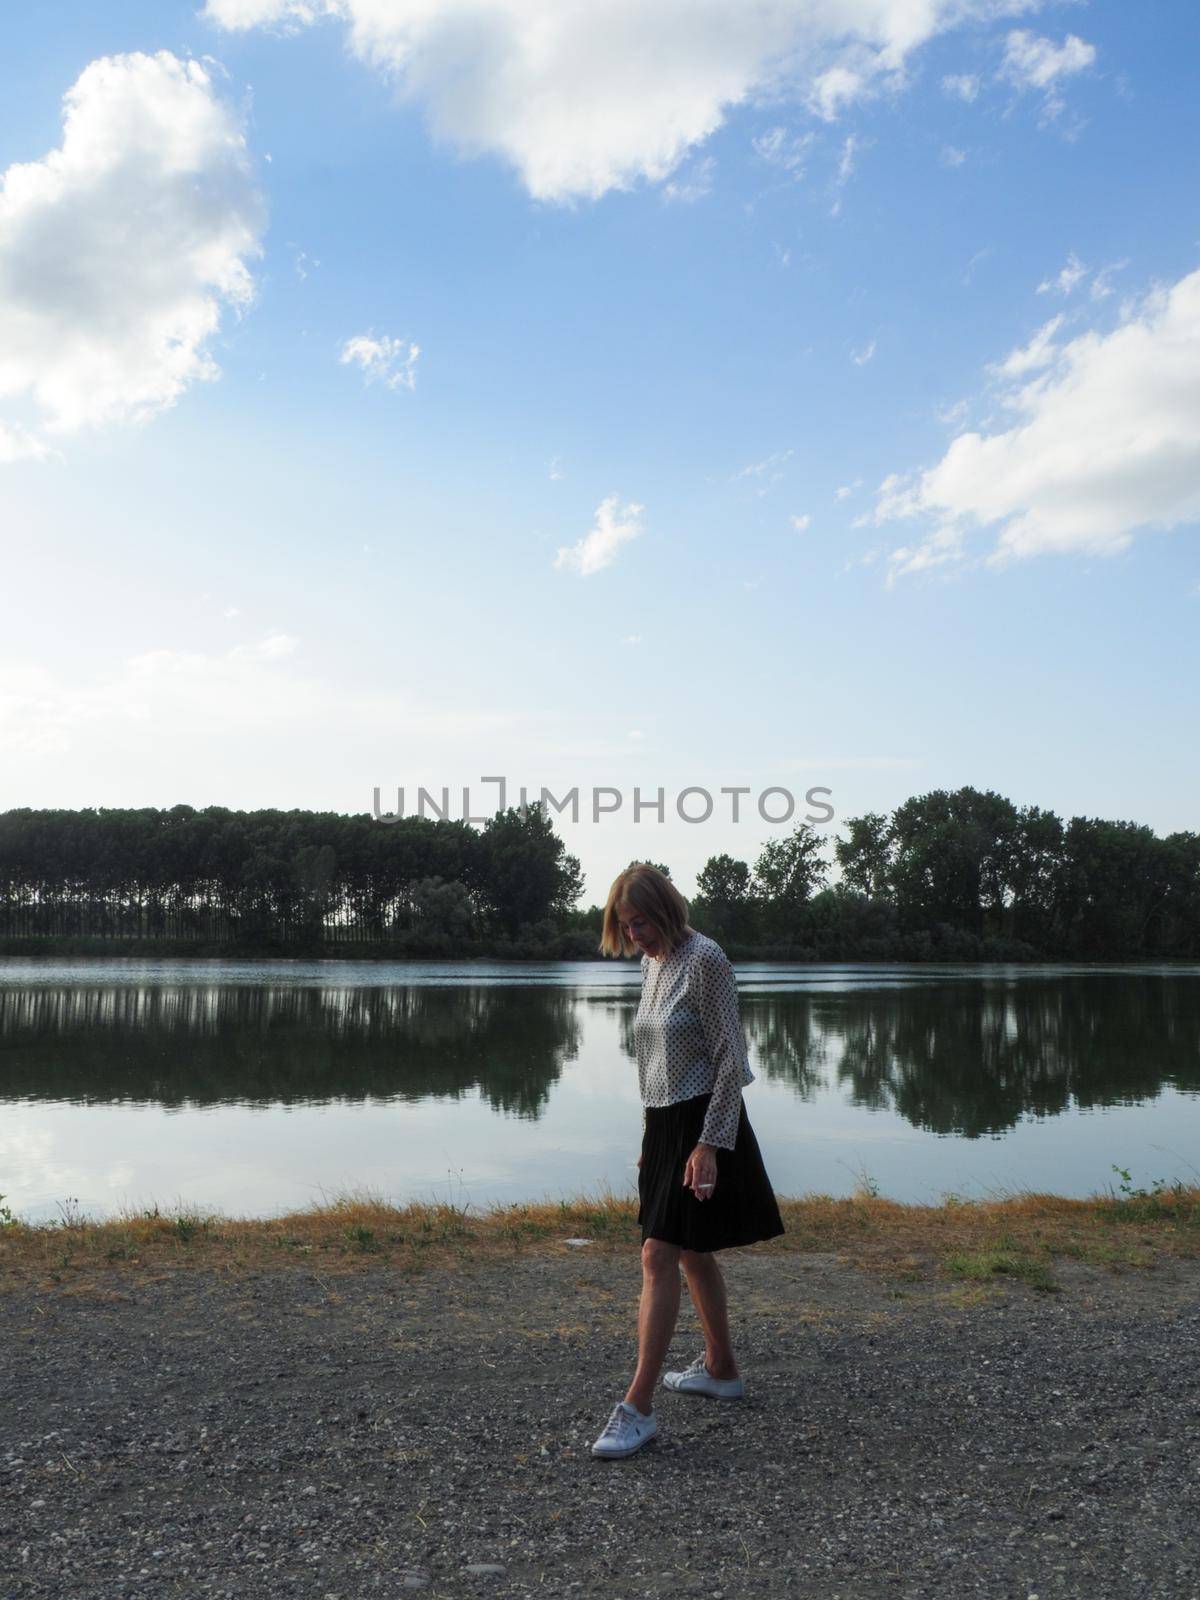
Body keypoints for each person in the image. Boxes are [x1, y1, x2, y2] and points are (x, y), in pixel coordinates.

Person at [590, 862, 785, 1460]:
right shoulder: (652, 965)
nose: (635, 936)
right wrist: (653, 1133)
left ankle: (638, 1407)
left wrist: (708, 1143)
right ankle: (722, 1369)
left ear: (666, 910)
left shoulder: (706, 959)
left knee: (658, 1253)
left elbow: (732, 1059)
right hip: (667, 1121)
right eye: (625, 926)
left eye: (641, 922)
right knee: (693, 1251)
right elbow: (655, 1056)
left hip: (705, 1117)